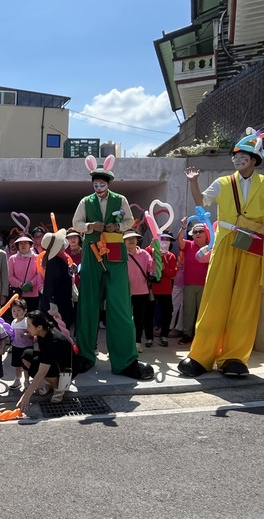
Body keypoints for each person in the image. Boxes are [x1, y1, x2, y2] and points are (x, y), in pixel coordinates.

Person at [178, 134, 264, 377]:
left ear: (254, 159)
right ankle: (200, 356)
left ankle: (234, 357)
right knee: (215, 296)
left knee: (245, 300)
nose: (238, 159)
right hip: (226, 240)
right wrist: (193, 181)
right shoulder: (223, 182)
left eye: (243, 156)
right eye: (236, 156)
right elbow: (202, 201)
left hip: (253, 242)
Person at [71, 155, 154, 380]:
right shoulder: (85, 202)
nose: (98, 187)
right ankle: (85, 355)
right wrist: (90, 226)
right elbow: (76, 223)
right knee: (88, 303)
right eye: (95, 184)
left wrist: (116, 227)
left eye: (102, 184)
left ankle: (125, 360)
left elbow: (129, 221)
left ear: (108, 184)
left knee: (120, 304)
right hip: (92, 252)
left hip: (115, 252)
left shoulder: (120, 199)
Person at [17, 310, 75, 412]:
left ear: (39, 327)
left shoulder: (52, 340)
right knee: (26, 355)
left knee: (37, 369)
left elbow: (42, 371)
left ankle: (58, 387)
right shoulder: (43, 331)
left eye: (29, 326)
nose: (27, 328)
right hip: (53, 361)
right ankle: (52, 383)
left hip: (65, 370)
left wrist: (27, 395)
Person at [176, 220, 210, 345]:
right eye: (195, 232)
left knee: (203, 312)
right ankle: (187, 334)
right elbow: (179, 240)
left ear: (206, 234)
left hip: (206, 285)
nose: (197, 234)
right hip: (189, 284)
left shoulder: (211, 247)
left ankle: (201, 336)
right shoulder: (189, 245)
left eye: (201, 231)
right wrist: (183, 227)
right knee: (188, 311)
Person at [124, 230, 155, 351]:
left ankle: (137, 342)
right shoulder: (122, 254)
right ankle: (126, 342)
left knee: (139, 319)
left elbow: (152, 269)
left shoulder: (145, 254)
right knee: (125, 318)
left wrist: (157, 257)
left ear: (137, 240)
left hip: (142, 291)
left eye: (134, 238)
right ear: (124, 241)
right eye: (128, 239)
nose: (131, 240)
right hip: (125, 291)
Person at [146, 230, 177, 347]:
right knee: (149, 313)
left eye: (167, 240)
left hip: (165, 290)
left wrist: (164, 268)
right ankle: (149, 338)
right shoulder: (151, 253)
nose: (165, 242)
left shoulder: (171, 256)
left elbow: (172, 274)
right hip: (152, 289)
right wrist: (151, 247)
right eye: (162, 239)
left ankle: (163, 335)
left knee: (168, 313)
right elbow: (143, 258)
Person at [38, 229, 73, 327]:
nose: (64, 245)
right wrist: (52, 302)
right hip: (56, 303)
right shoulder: (53, 262)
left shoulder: (61, 259)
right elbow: (49, 283)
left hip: (62, 300)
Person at [7, 235, 43, 312]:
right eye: (20, 243)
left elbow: (39, 274)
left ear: (30, 245)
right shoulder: (12, 259)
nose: (23, 245)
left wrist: (31, 283)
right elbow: (10, 276)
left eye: (26, 243)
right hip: (17, 293)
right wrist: (20, 284)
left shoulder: (37, 258)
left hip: (33, 293)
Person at [9, 299, 33, 390]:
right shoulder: (13, 322)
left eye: (19, 310)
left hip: (26, 348)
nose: (16, 313)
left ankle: (26, 380)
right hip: (16, 347)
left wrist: (26, 335)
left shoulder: (27, 322)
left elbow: (32, 333)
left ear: (25, 311)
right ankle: (17, 380)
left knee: (26, 366)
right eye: (13, 310)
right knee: (17, 365)